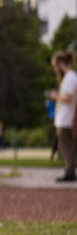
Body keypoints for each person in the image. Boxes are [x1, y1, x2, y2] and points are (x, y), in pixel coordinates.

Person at [47, 50, 77, 183]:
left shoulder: (71, 78)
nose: (55, 69)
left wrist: (55, 96)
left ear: (60, 63)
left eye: (55, 66)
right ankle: (69, 170)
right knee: (64, 147)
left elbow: (68, 98)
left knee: (66, 147)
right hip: (63, 119)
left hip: (66, 119)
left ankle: (70, 172)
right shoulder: (67, 78)